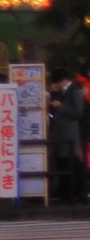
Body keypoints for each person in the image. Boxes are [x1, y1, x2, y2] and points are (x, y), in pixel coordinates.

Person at [50, 70, 86, 203]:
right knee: (62, 164)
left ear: (63, 80)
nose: (57, 85)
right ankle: (65, 194)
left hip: (69, 135)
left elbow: (77, 112)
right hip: (61, 135)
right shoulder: (63, 92)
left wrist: (61, 106)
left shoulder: (74, 91)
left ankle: (75, 194)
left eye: (58, 82)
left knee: (70, 163)